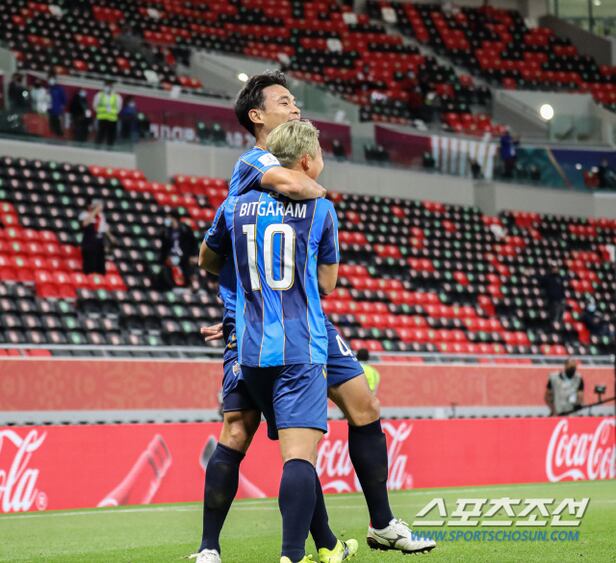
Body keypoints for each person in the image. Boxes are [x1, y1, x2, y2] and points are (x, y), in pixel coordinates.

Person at [193, 71, 435, 562]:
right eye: (284, 101)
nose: (295, 107)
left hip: (307, 319)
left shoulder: (259, 192)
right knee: (242, 430)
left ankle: (381, 524)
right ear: (257, 115)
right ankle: (218, 547)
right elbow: (296, 187)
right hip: (256, 322)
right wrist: (244, 300)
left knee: (363, 406)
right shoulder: (254, 163)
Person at [205, 119, 355, 563]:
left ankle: (324, 545)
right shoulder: (321, 210)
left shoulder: (234, 206)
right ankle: (291, 555)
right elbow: (327, 284)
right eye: (320, 155)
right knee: (299, 458)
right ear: (306, 160)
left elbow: (208, 258)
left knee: (239, 435)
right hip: (300, 347)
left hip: (250, 350)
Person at [158, 210, 198, 289]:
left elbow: (193, 243)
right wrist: (164, 258)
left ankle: (189, 286)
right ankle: (171, 286)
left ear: (174, 218)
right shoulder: (165, 231)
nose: (166, 220)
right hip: (170, 256)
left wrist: (195, 255)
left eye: (168, 218)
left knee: (190, 267)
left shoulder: (185, 229)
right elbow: (164, 248)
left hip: (184, 256)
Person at [79, 199, 114, 274]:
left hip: (99, 242)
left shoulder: (101, 216)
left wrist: (111, 237)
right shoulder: (85, 214)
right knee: (90, 264)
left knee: (100, 265)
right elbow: (84, 224)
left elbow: (104, 227)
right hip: (89, 241)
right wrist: (94, 212)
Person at [93, 80, 122, 148]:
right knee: (100, 134)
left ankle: (110, 149)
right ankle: (97, 148)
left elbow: (118, 108)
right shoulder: (99, 95)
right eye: (107, 86)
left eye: (110, 86)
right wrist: (103, 110)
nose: (108, 87)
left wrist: (111, 111)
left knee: (111, 135)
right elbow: (95, 106)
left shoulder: (117, 96)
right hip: (102, 118)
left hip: (112, 119)